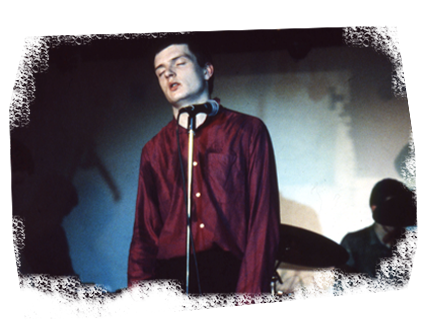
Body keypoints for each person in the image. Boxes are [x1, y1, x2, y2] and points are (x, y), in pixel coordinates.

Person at [127, 35, 280, 310]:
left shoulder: (247, 132)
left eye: (179, 63)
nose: (168, 74)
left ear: (207, 70)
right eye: (161, 72)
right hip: (170, 280)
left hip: (229, 279)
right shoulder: (153, 150)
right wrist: (140, 305)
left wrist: (249, 301)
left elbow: (262, 222)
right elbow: (144, 235)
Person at [333, 178, 418, 296]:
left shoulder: (414, 241)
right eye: (392, 209)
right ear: (375, 208)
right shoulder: (353, 242)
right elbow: (342, 289)